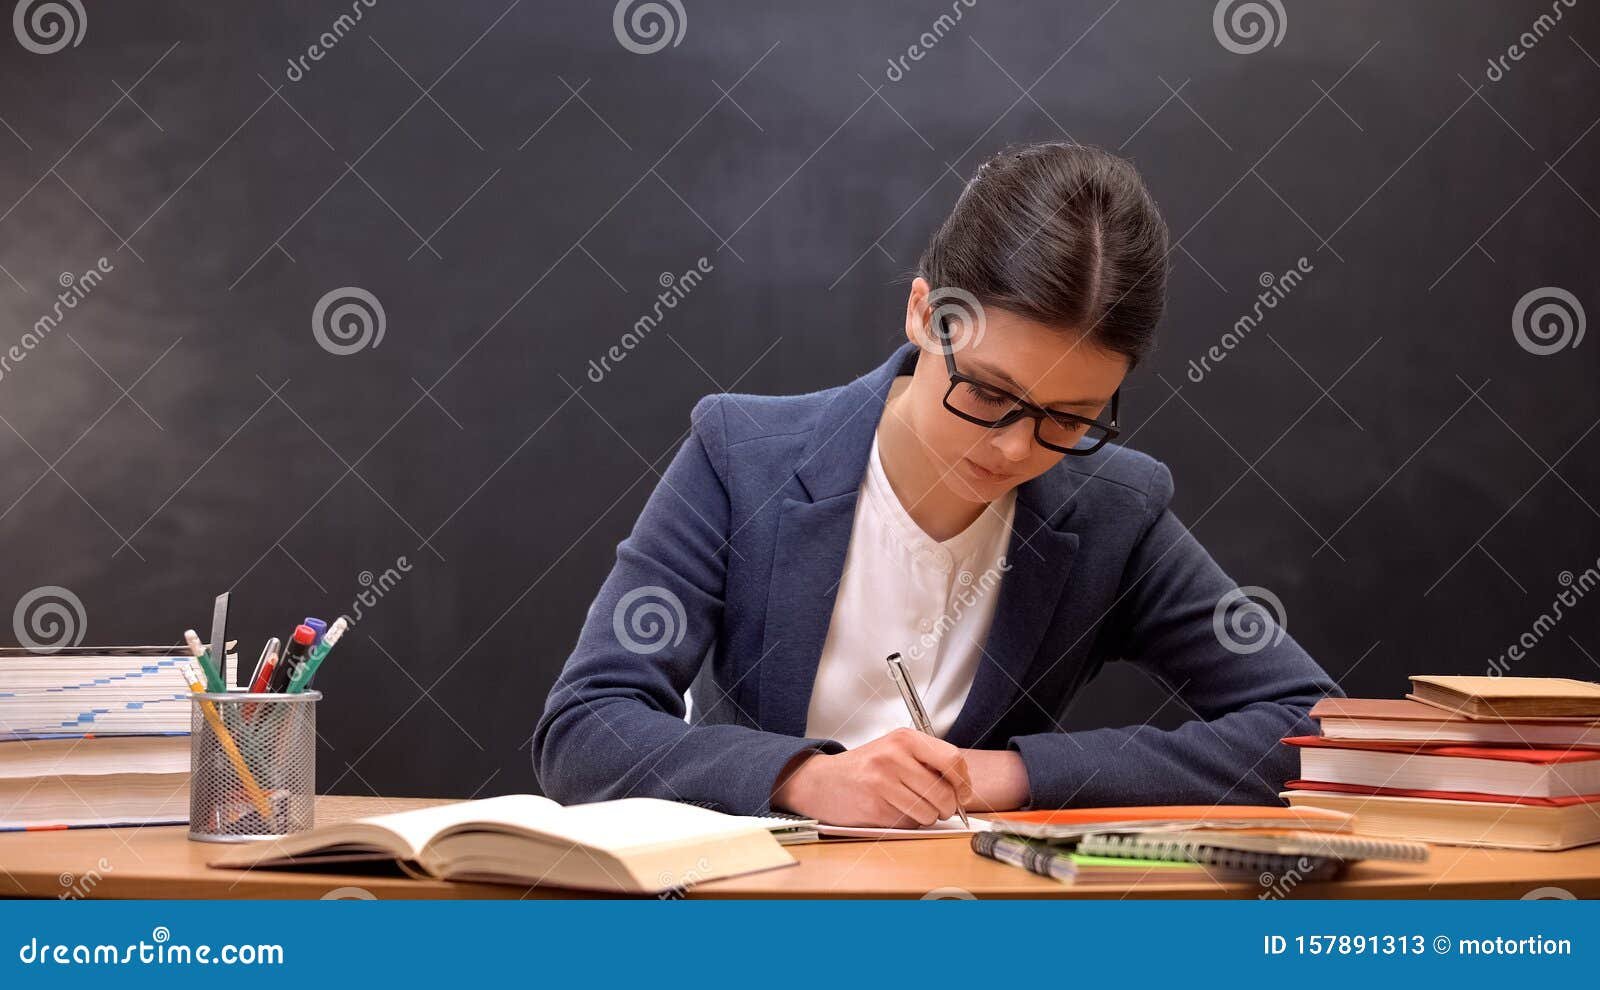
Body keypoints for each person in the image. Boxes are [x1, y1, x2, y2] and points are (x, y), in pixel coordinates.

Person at [533, 141, 1342, 826]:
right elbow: (585, 729)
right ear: (925, 313)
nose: (1015, 447)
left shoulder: (1112, 511)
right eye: (988, 392)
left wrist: (1013, 774)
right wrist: (806, 780)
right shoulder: (740, 457)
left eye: (1073, 416)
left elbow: (1308, 729)